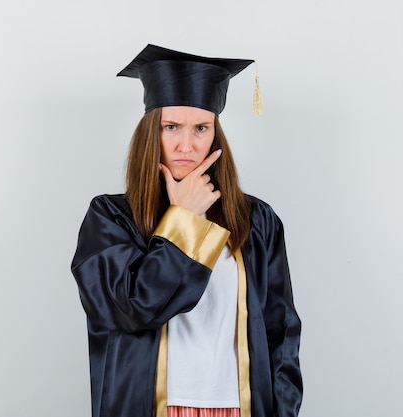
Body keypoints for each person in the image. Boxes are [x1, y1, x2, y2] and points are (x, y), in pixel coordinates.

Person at [71, 44, 302, 417]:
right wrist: (183, 218)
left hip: (240, 406)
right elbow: (132, 309)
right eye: (171, 127)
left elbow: (282, 332)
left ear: (215, 134)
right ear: (151, 132)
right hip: (149, 406)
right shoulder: (112, 217)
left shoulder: (257, 220)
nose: (186, 145)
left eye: (201, 128)